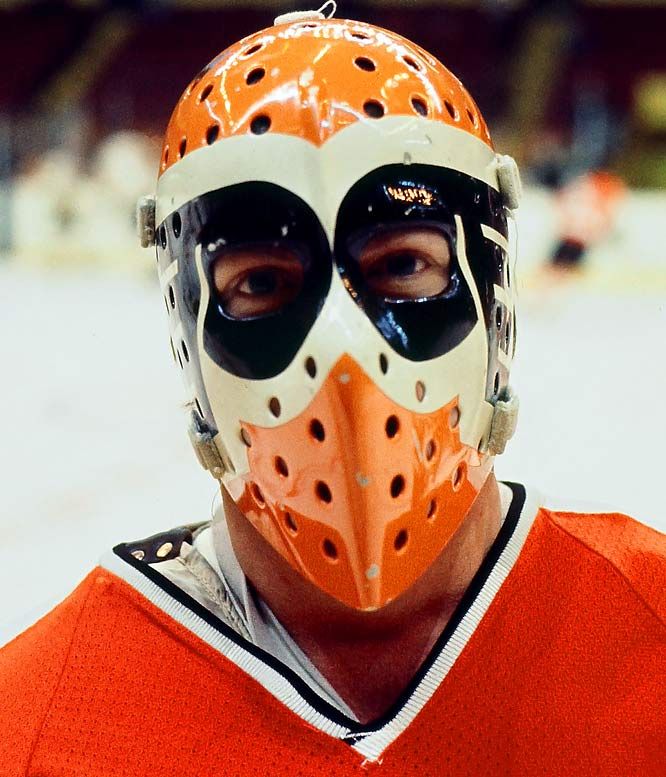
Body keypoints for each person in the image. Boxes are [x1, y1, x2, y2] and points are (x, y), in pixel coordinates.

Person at [1, 10, 663, 776]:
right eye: (261, 282)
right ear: (185, 326)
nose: (343, 351)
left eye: (403, 266)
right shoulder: (36, 724)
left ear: (495, 296)